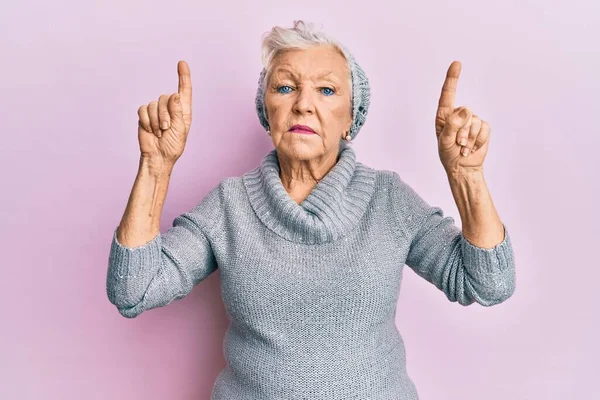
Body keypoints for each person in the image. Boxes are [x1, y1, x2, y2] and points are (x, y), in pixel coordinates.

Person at [106, 20, 515, 400]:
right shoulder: (229, 205)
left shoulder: (389, 200)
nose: (303, 104)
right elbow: (133, 289)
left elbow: (488, 284)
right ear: (267, 111)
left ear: (350, 119)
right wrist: (155, 168)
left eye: (326, 90)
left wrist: (466, 175)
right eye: (285, 88)